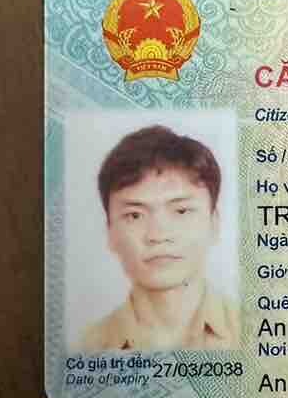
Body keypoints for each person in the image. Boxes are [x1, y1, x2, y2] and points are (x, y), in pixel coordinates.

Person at [74, 125, 237, 352]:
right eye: (134, 215)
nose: (158, 235)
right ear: (110, 232)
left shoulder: (260, 335)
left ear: (214, 223)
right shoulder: (84, 349)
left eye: (181, 211)